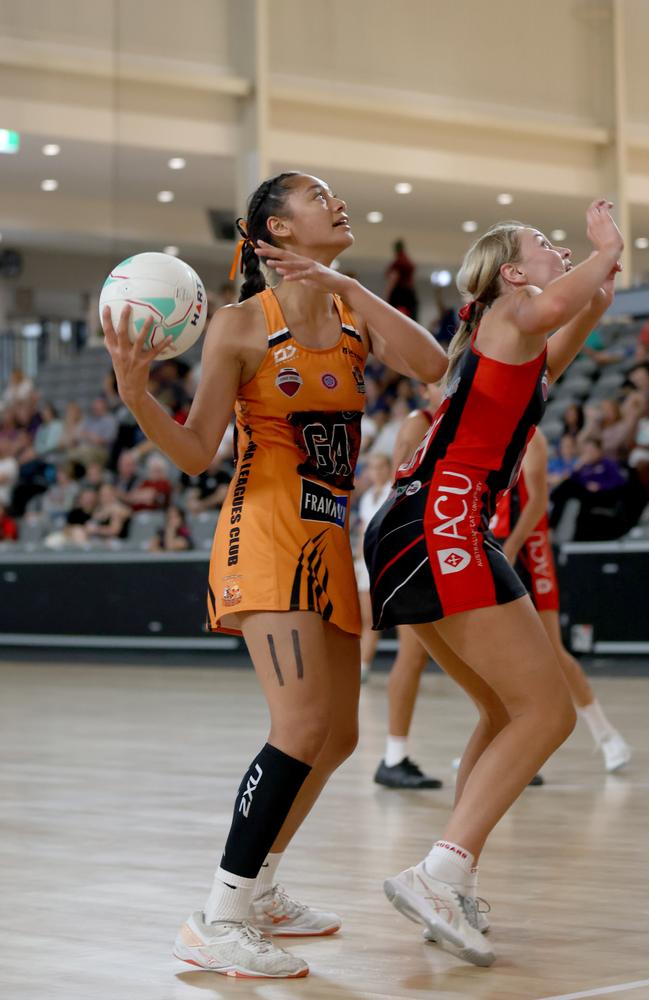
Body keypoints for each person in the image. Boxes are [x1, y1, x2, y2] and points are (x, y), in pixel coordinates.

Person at [101, 170, 447, 979]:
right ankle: (217, 914)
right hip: (264, 532)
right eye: (317, 196)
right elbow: (193, 454)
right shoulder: (237, 326)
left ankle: (262, 889)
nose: (338, 202)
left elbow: (433, 363)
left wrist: (345, 285)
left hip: (328, 542)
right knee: (298, 727)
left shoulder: (352, 309)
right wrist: (133, 393)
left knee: (341, 735)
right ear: (276, 233)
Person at [364, 200, 623, 967]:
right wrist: (606, 244)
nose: (559, 249)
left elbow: (580, 314)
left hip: (430, 525)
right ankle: (441, 870)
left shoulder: (522, 348)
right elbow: (560, 298)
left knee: (501, 708)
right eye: (543, 244)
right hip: (440, 523)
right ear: (511, 271)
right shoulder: (510, 312)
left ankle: (452, 871)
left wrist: (601, 272)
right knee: (547, 716)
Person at [491, 427, 631, 772]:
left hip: (527, 549)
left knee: (553, 650)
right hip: (494, 544)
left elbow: (538, 501)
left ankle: (606, 734)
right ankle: (503, 745)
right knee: (497, 655)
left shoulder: (530, 436)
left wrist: (509, 549)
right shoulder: (484, 432)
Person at [372, 383, 444, 790]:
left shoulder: (448, 420)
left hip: (438, 544)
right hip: (413, 548)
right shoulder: (420, 424)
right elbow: (400, 492)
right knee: (412, 654)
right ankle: (393, 756)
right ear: (423, 389)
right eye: (439, 380)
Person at [355, 453, 393, 683]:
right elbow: (362, 532)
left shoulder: (392, 491)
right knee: (364, 617)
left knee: (371, 617)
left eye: (380, 467)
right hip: (365, 563)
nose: (376, 471)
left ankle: (364, 666)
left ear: (388, 468)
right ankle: (361, 665)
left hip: (383, 561)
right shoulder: (368, 496)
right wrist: (359, 558)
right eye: (372, 467)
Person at [385, 239, 419, 320]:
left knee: (396, 316)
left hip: (400, 294)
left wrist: (387, 294)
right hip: (410, 293)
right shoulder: (407, 260)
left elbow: (393, 278)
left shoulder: (398, 262)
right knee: (411, 317)